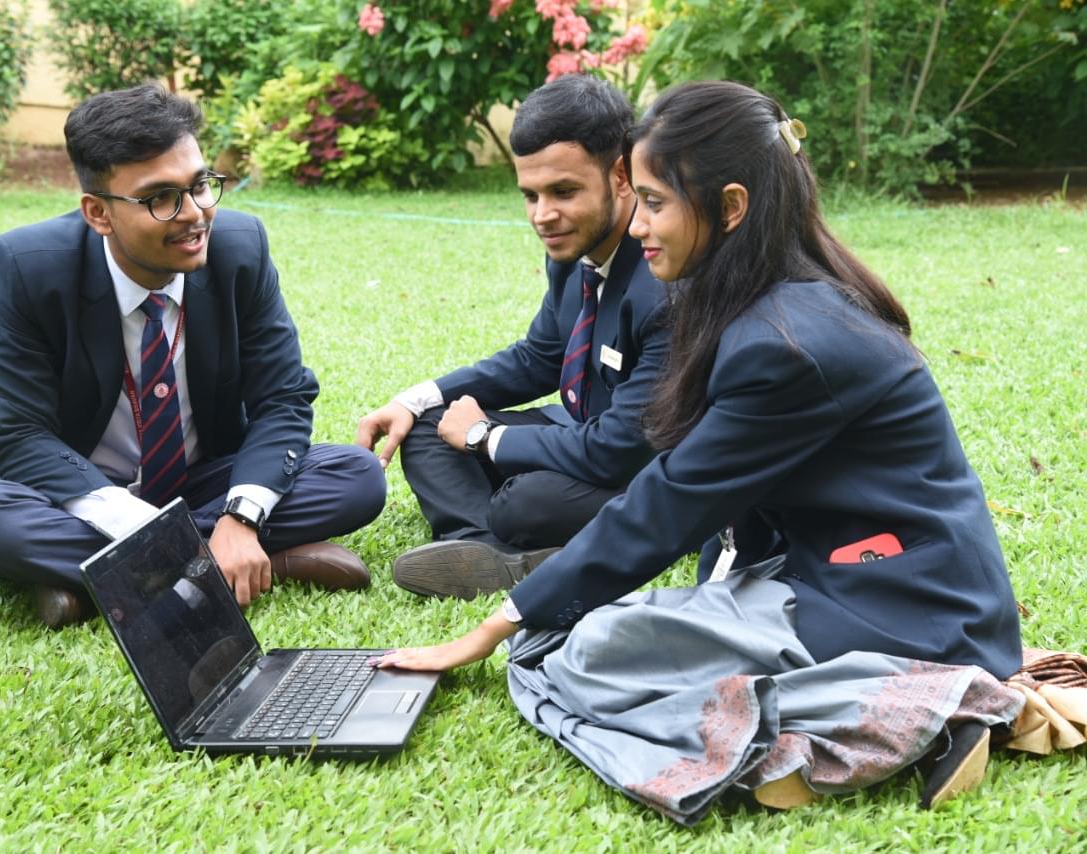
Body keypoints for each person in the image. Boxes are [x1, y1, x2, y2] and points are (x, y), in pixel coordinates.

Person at [373, 81, 1030, 822]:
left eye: (654, 203)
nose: (638, 224)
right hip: (836, 572)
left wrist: (492, 627)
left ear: (731, 207)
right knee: (574, 643)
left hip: (911, 607)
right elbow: (701, 492)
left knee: (580, 655)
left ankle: (929, 704)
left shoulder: (787, 340)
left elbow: (670, 499)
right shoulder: (761, 298)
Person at [0, 83, 386, 628]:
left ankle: (96, 583)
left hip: (200, 480)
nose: (194, 214)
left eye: (201, 185)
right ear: (98, 213)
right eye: (161, 198)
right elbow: (20, 436)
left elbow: (283, 399)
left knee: (356, 475)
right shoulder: (27, 268)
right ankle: (255, 564)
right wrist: (144, 528)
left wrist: (240, 518)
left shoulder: (240, 248)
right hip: (75, 493)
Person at [356, 75, 668, 599]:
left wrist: (485, 438)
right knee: (431, 427)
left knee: (526, 503)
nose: (543, 216)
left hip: (649, 468)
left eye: (564, 192)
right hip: (582, 436)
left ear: (621, 175)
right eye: (530, 195)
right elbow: (540, 357)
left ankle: (493, 536)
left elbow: (620, 449)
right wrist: (416, 398)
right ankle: (487, 550)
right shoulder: (573, 249)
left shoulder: (663, 273)